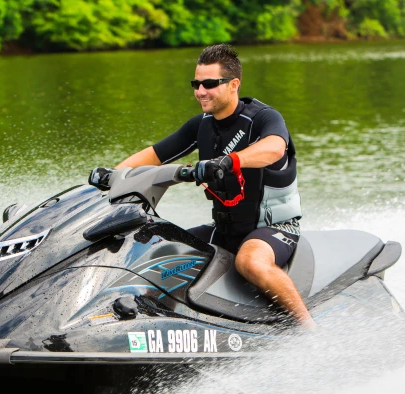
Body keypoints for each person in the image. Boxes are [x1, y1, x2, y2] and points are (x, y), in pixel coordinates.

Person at [93, 43, 315, 329]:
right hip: (225, 230)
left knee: (250, 262)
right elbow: (153, 155)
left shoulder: (262, 118)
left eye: (210, 84)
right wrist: (112, 175)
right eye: (196, 83)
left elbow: (274, 148)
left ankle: (308, 329)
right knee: (157, 249)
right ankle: (157, 323)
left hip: (274, 229)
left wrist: (229, 161)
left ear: (234, 84)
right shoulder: (201, 125)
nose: (200, 91)